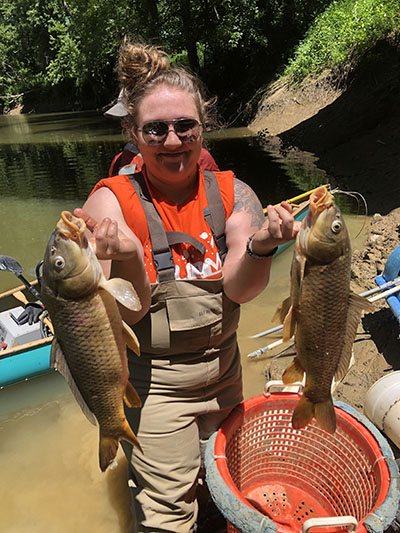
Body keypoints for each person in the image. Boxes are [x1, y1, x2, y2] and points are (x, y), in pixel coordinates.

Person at [75, 39, 299, 533]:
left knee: (227, 488)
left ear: (204, 128)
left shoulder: (235, 194)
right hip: (153, 388)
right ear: (133, 133)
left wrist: (263, 246)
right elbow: (125, 319)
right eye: (155, 129)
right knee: (168, 513)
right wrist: (131, 254)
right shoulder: (109, 206)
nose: (172, 141)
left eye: (184, 126)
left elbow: (241, 291)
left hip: (224, 371)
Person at [105, 89, 220, 176]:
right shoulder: (119, 161)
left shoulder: (196, 157)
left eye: (129, 118)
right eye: (123, 119)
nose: (124, 124)